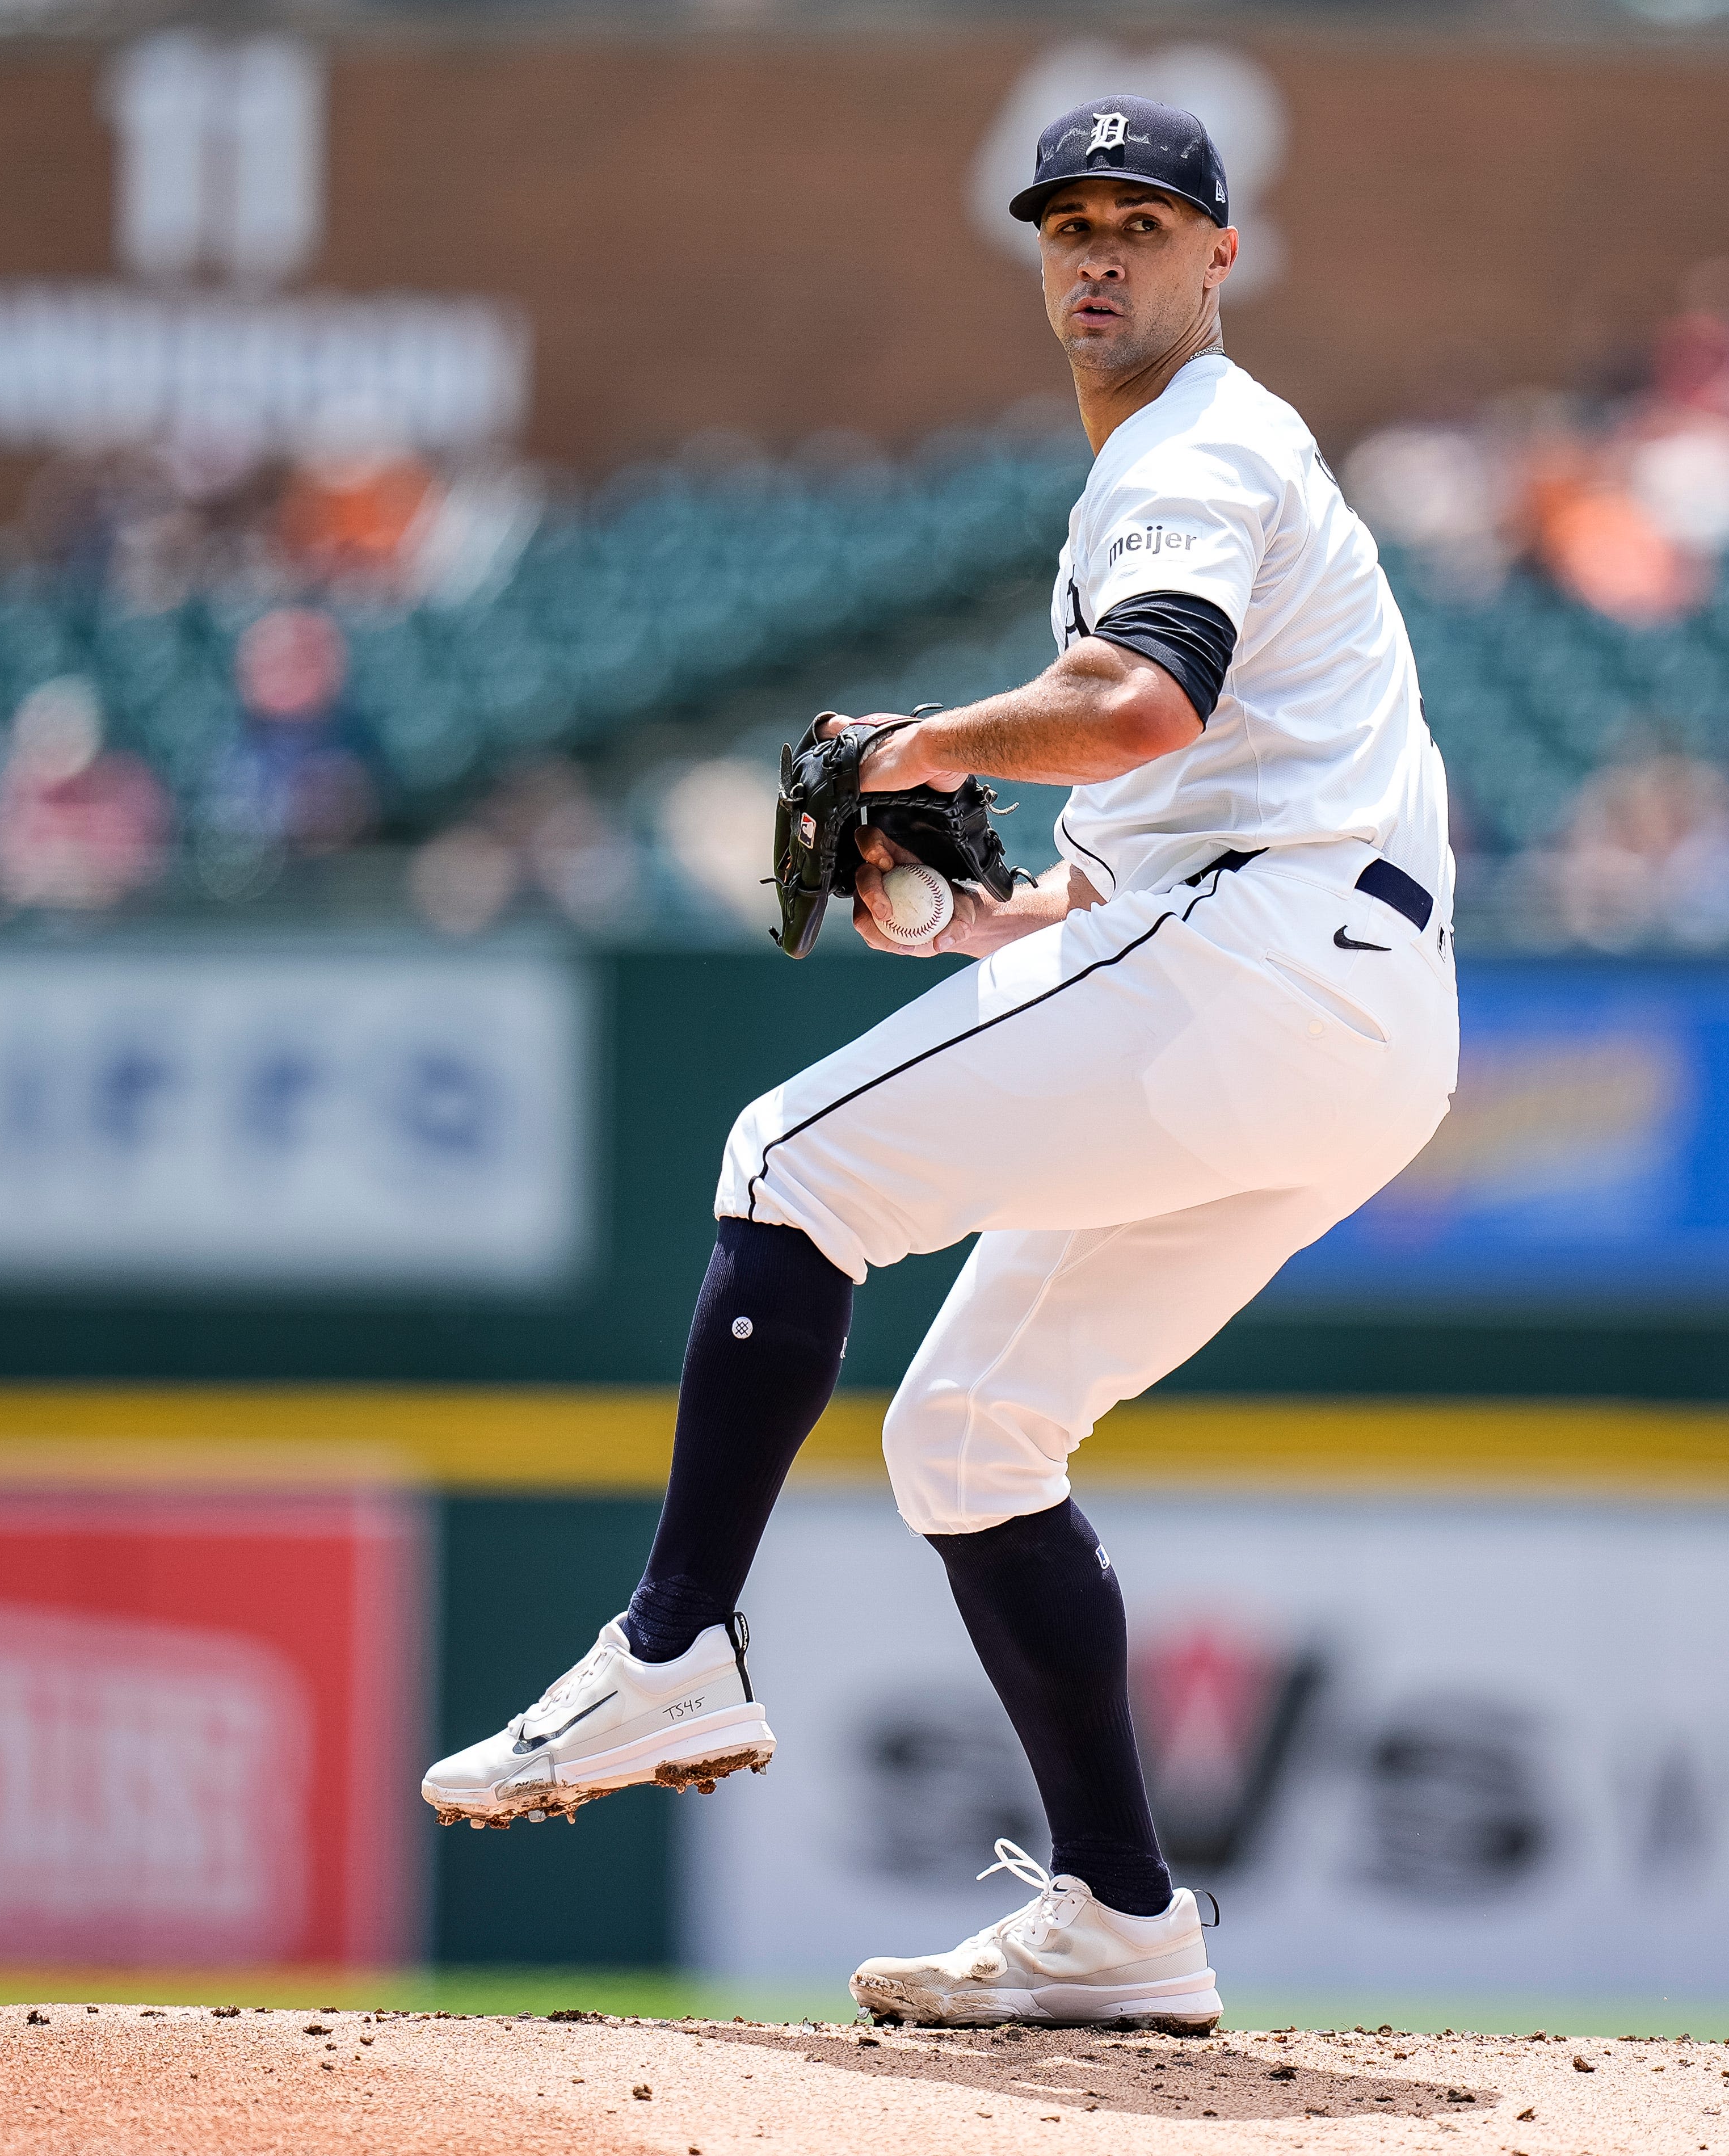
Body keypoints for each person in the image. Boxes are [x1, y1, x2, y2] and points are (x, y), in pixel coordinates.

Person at [420, 93, 1458, 2033]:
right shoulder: (1190, 463)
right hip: (1336, 1015)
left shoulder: (1196, 443)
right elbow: (1138, 848)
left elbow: (1139, 703)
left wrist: (906, 746)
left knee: (784, 1156)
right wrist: (982, 917)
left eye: (1140, 224)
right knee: (966, 1437)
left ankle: (671, 1648)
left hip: (1273, 957)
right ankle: (1124, 1921)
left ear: (1219, 258)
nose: (1095, 252)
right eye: (1067, 220)